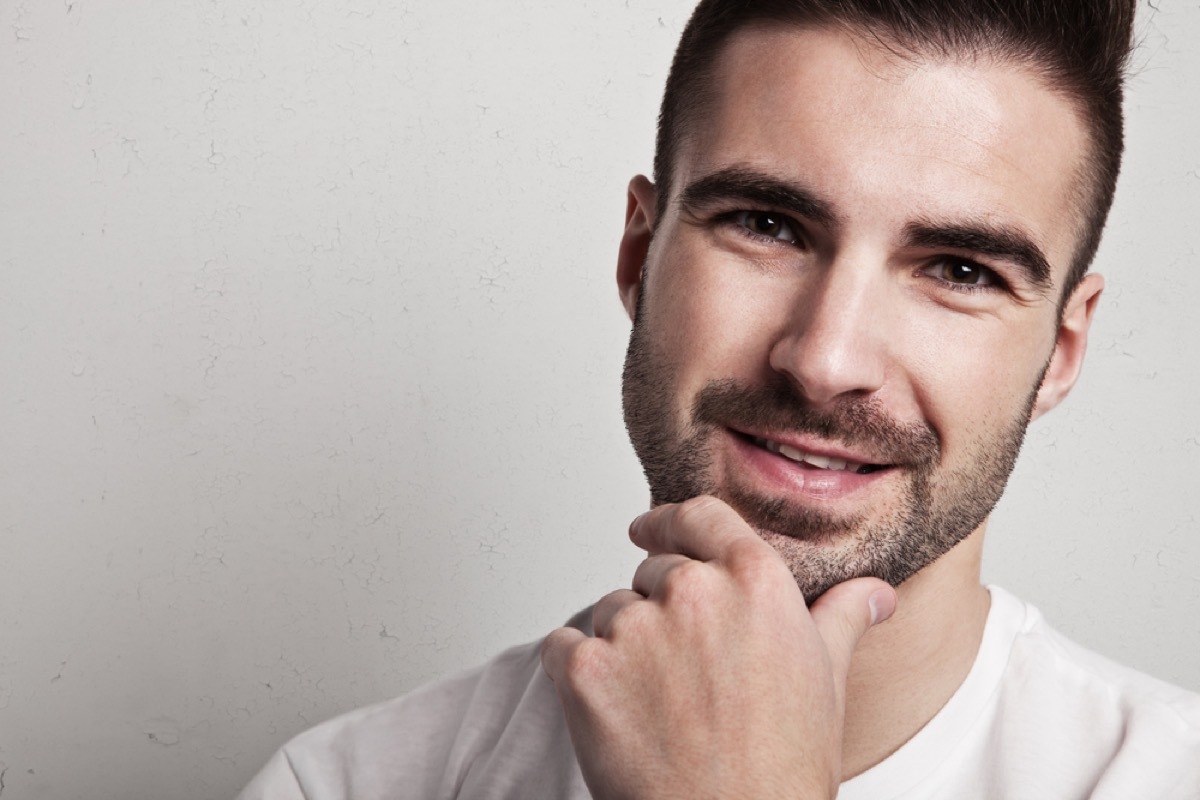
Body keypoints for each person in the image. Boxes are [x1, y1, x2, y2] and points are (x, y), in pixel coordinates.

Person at [238, 1, 1200, 797]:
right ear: (637, 255)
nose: (824, 360)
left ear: (1064, 349)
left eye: (958, 268)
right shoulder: (343, 787)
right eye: (768, 224)